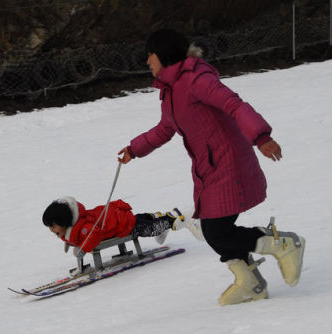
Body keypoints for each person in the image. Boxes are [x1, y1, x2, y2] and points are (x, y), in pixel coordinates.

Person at [117, 29, 305, 306]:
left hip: (229, 162)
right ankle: (249, 282)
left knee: (217, 230)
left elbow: (234, 105)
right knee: (214, 229)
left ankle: (283, 244)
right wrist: (135, 149)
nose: (147, 62)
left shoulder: (197, 79)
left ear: (162, 54)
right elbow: (165, 128)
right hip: (209, 168)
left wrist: (261, 137)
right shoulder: (171, 91)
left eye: (149, 55)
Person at [42, 196, 203, 259]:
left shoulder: (83, 227)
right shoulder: (75, 227)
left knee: (149, 227)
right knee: (147, 220)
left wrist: (82, 249)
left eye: (53, 227)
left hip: (126, 226)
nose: (52, 230)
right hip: (123, 220)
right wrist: (70, 241)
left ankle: (181, 217)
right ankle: (167, 220)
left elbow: (94, 235)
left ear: (65, 222)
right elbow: (77, 235)